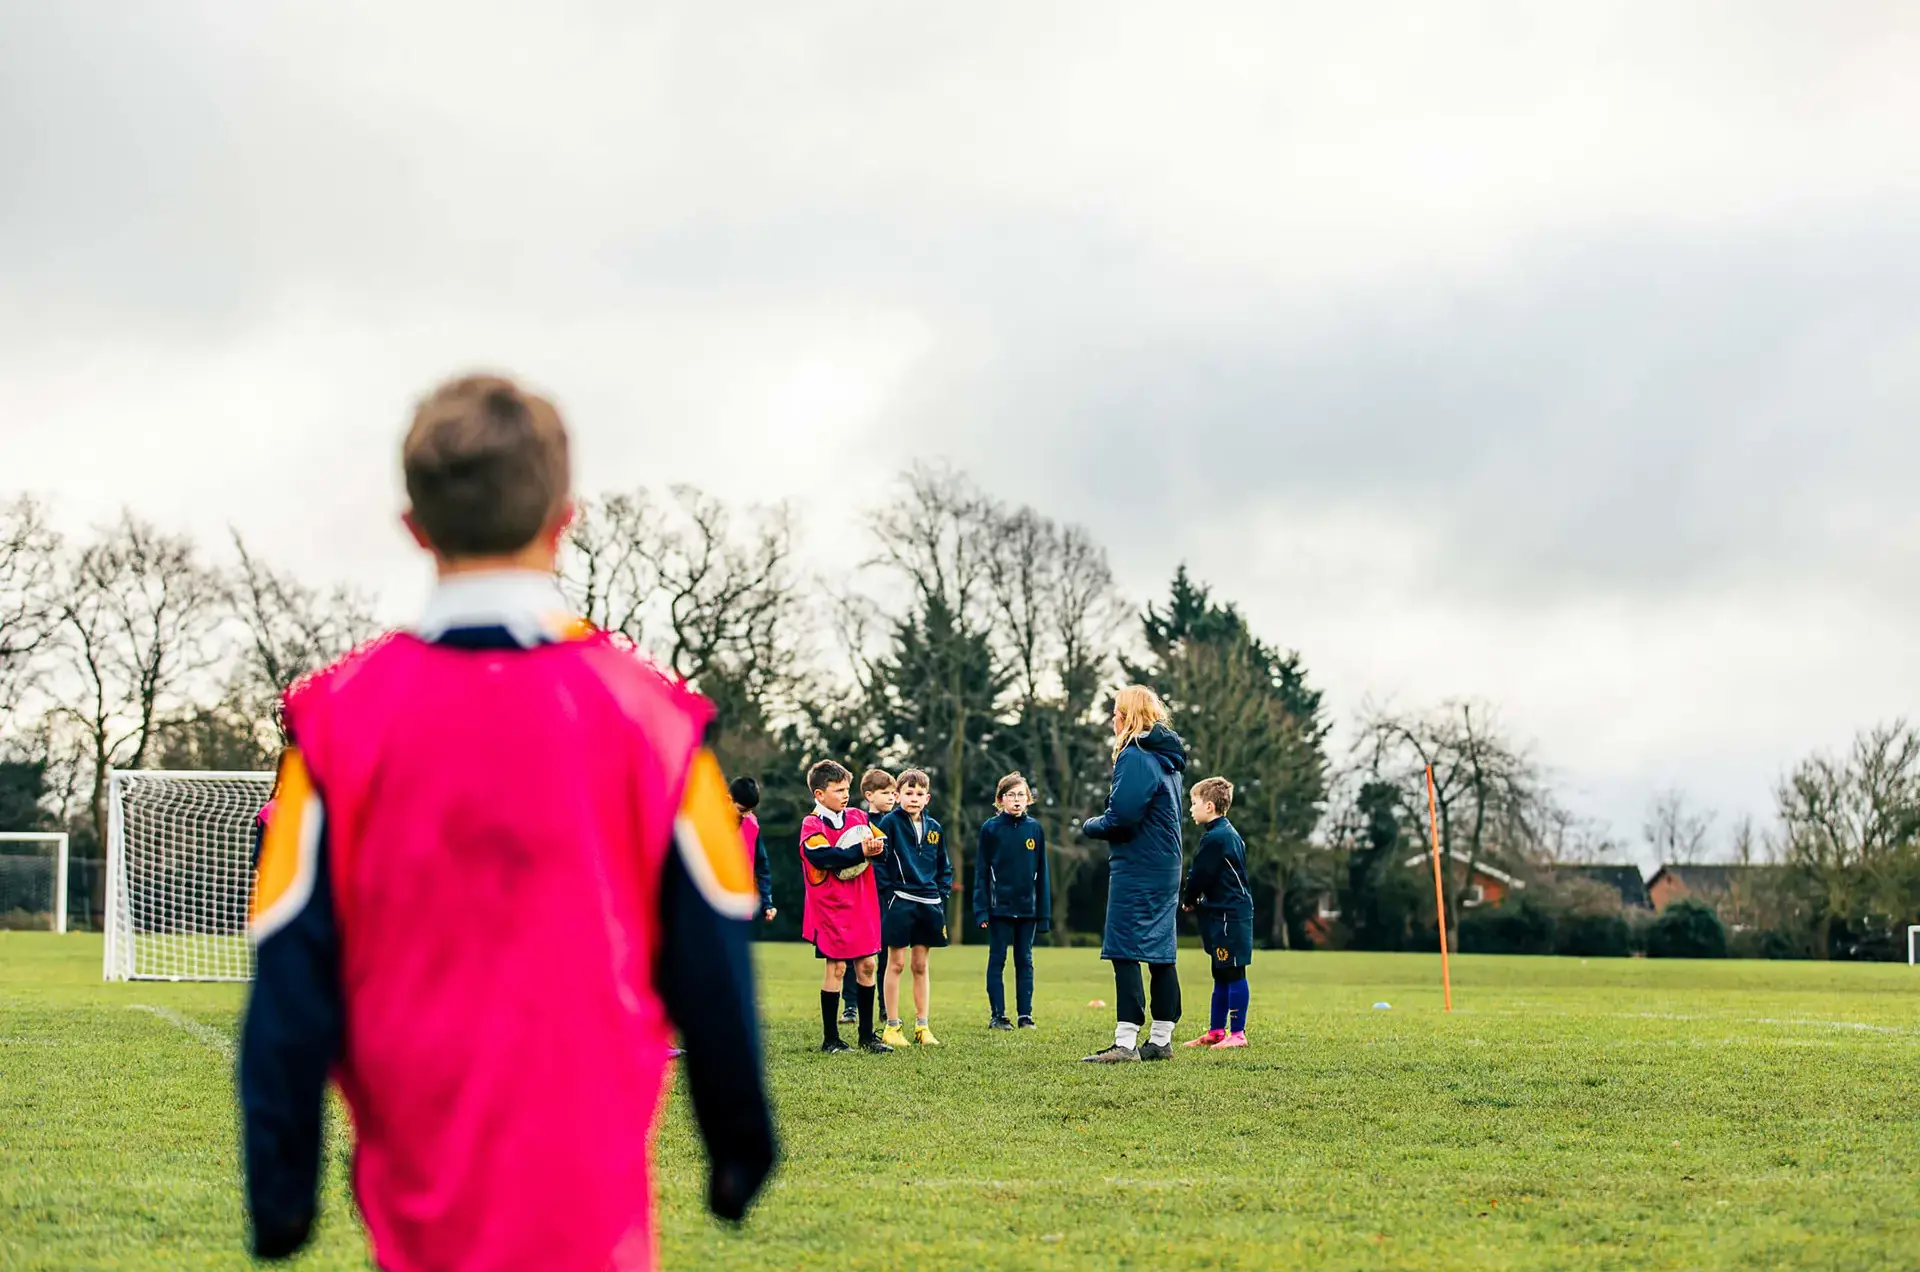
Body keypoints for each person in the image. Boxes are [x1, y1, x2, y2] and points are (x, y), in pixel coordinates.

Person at [239, 373, 774, 1270]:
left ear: (414, 525)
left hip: (416, 1198)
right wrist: (738, 1142)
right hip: (591, 1197)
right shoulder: (654, 720)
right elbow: (714, 948)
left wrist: (280, 1188)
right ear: (566, 518)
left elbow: (289, 967)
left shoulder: (332, 725)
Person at [1079, 685, 1188, 1063]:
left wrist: (1091, 825)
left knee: (1124, 948)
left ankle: (1125, 1042)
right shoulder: (1167, 760)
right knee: (1161, 952)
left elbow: (1122, 818)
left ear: (1128, 715)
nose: (1112, 718)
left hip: (1138, 866)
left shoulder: (1136, 755)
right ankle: (1161, 1039)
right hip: (1166, 865)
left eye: (1115, 711)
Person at [800, 760, 891, 1054]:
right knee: (837, 968)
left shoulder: (858, 817)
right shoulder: (812, 824)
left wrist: (877, 848)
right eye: (838, 790)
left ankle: (867, 1036)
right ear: (818, 794)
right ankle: (831, 1039)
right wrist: (859, 851)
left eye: (847, 789)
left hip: (861, 903)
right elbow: (823, 856)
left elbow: (881, 845)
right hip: (830, 907)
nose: (845, 795)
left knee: (868, 965)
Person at [873, 769, 951, 1047]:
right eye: (908, 793)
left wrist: (941, 895)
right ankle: (892, 1027)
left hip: (929, 903)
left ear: (927, 798)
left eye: (919, 794)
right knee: (896, 963)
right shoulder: (889, 823)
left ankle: (922, 1027)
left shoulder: (936, 828)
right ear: (897, 796)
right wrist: (888, 894)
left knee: (920, 965)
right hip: (900, 901)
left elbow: (944, 867)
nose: (914, 798)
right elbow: (879, 861)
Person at [1180, 777, 1253, 1050]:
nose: (1191, 808)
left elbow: (1200, 874)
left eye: (1194, 803)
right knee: (1220, 971)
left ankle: (1238, 1034)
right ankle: (1216, 1031)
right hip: (1222, 912)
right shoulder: (1224, 833)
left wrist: (1189, 898)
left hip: (1229, 914)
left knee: (1234, 972)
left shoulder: (1217, 837)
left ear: (1209, 806)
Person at [974, 772, 1050, 1030]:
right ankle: (998, 1016)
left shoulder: (1035, 829)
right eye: (1011, 795)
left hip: (1027, 909)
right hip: (998, 909)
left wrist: (1043, 914)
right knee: (997, 959)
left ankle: (1025, 1016)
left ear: (1028, 799)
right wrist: (981, 909)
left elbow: (1043, 873)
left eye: (1021, 795)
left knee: (1025, 960)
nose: (1016, 800)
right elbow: (981, 872)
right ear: (1000, 800)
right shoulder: (990, 829)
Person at [842, 769, 897, 1024]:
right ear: (868, 795)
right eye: (885, 793)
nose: (892, 798)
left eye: (893, 793)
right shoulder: (858, 823)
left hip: (887, 896)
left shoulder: (897, 822)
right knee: (855, 950)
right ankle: (850, 1005)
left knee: (884, 952)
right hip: (861, 894)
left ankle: (885, 1006)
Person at [732, 776, 776, 924]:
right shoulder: (708, 821)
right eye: (742, 810)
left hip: (741, 908)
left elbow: (761, 867)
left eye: (749, 811)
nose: (745, 815)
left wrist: (766, 903)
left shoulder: (752, 824)